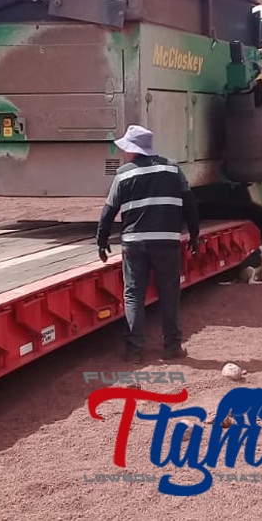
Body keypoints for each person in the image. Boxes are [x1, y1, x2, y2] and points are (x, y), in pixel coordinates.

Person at [97, 124, 200, 364]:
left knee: (134, 294)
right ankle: (172, 347)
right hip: (167, 241)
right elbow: (190, 204)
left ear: (133, 150)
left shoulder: (123, 174)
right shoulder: (173, 169)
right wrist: (194, 235)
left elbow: (108, 210)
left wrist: (102, 240)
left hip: (134, 243)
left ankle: (135, 350)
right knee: (169, 293)